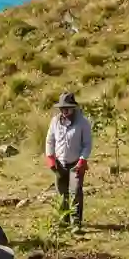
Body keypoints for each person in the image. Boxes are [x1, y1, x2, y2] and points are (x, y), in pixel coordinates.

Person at [44, 92, 92, 233]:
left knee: (75, 191)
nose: (64, 111)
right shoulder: (55, 121)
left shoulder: (83, 122)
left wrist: (83, 159)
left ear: (73, 108)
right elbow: (50, 140)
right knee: (61, 192)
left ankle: (75, 223)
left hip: (76, 163)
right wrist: (50, 158)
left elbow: (87, 144)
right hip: (59, 163)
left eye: (67, 108)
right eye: (62, 108)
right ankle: (63, 220)